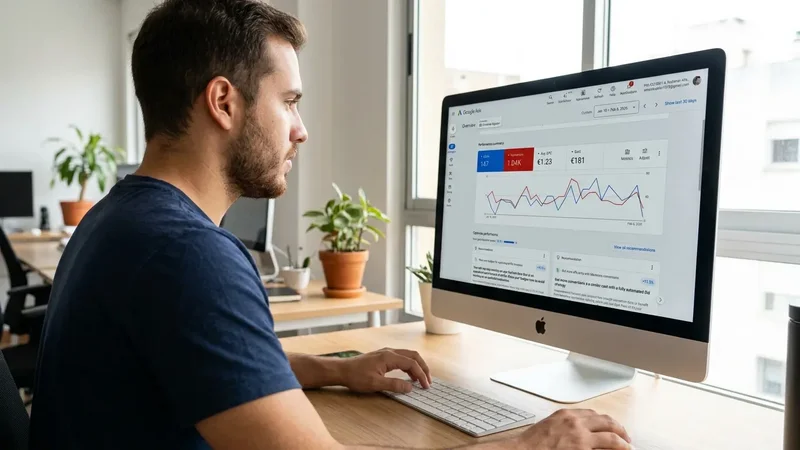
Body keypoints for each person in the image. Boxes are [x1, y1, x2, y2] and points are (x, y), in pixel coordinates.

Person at [28, 1, 633, 449]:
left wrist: (332, 369)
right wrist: (525, 443)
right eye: (289, 100)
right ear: (223, 102)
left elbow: (187, 361)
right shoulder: (189, 254)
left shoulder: (118, 219)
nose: (301, 128)